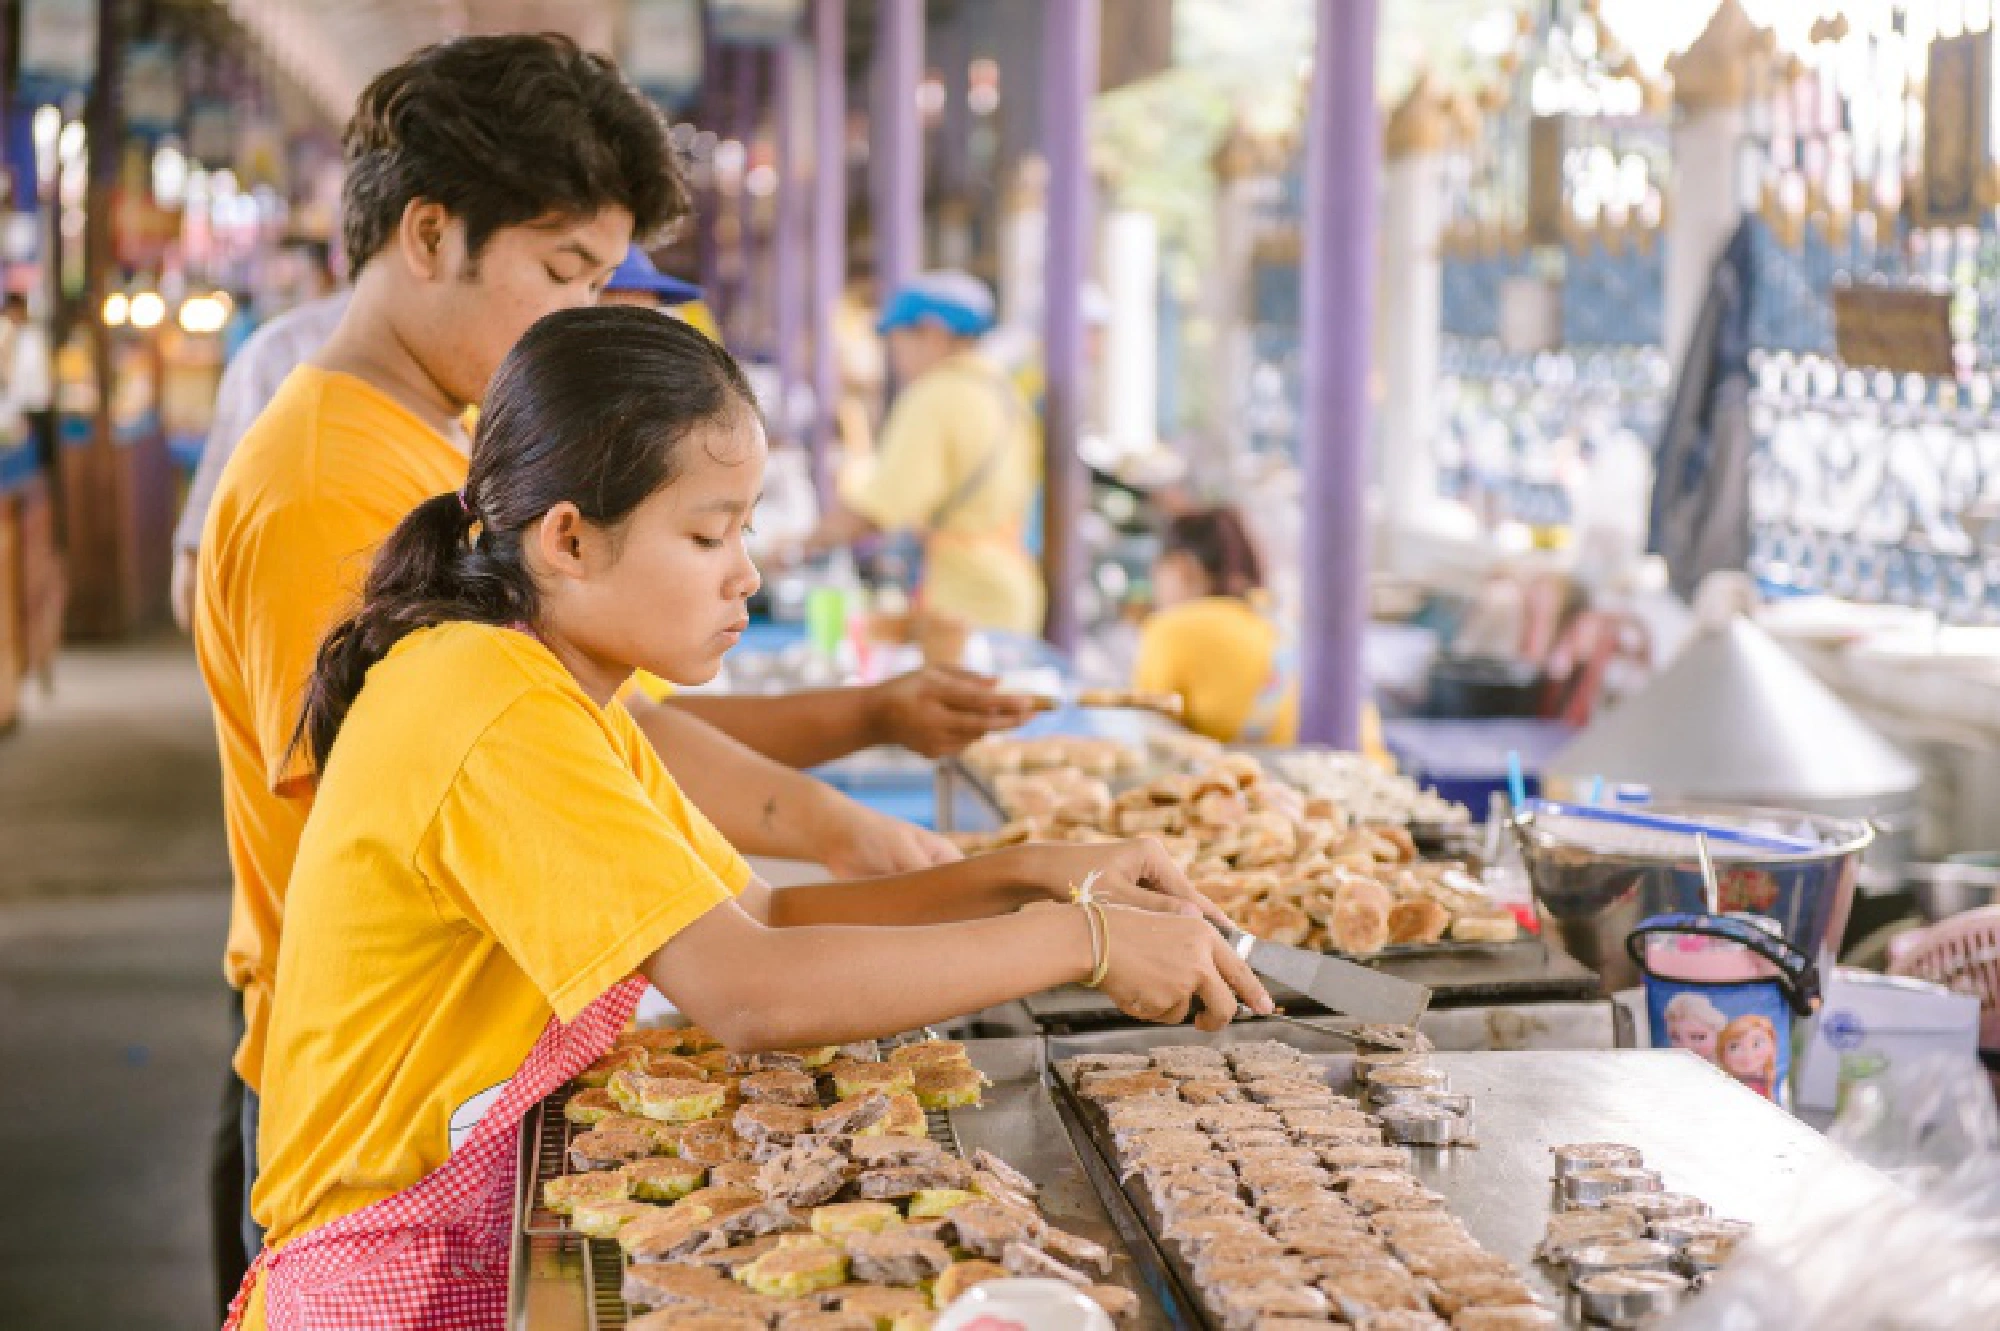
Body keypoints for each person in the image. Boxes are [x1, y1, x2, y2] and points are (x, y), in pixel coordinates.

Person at [228, 304, 1268, 1329]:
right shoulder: (494, 706)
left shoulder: (548, 686)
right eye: (706, 533)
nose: (748, 573)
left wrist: (1031, 870)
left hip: (459, 1228)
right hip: (386, 1268)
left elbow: (761, 921)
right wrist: (1076, 940)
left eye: (747, 528)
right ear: (569, 540)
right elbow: (750, 993)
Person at [188, 35, 1017, 1313]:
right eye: (563, 270)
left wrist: (910, 819)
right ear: (427, 234)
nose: (584, 315)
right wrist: (1051, 924)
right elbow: (532, 793)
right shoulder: (327, 492)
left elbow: (605, 742)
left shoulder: (443, 462)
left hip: (450, 1086)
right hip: (387, 1111)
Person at [807, 270, 1044, 635]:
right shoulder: (1003, 391)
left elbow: (880, 506)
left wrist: (802, 545)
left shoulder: (936, 395)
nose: (896, 360)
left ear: (933, 334)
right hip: (1013, 587)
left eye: (899, 342)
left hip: (968, 597)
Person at [1135, 506, 1299, 745]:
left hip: (1275, 774)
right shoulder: (1276, 616)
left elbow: (1153, 731)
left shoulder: (1171, 628)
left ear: (1180, 568)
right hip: (1352, 766)